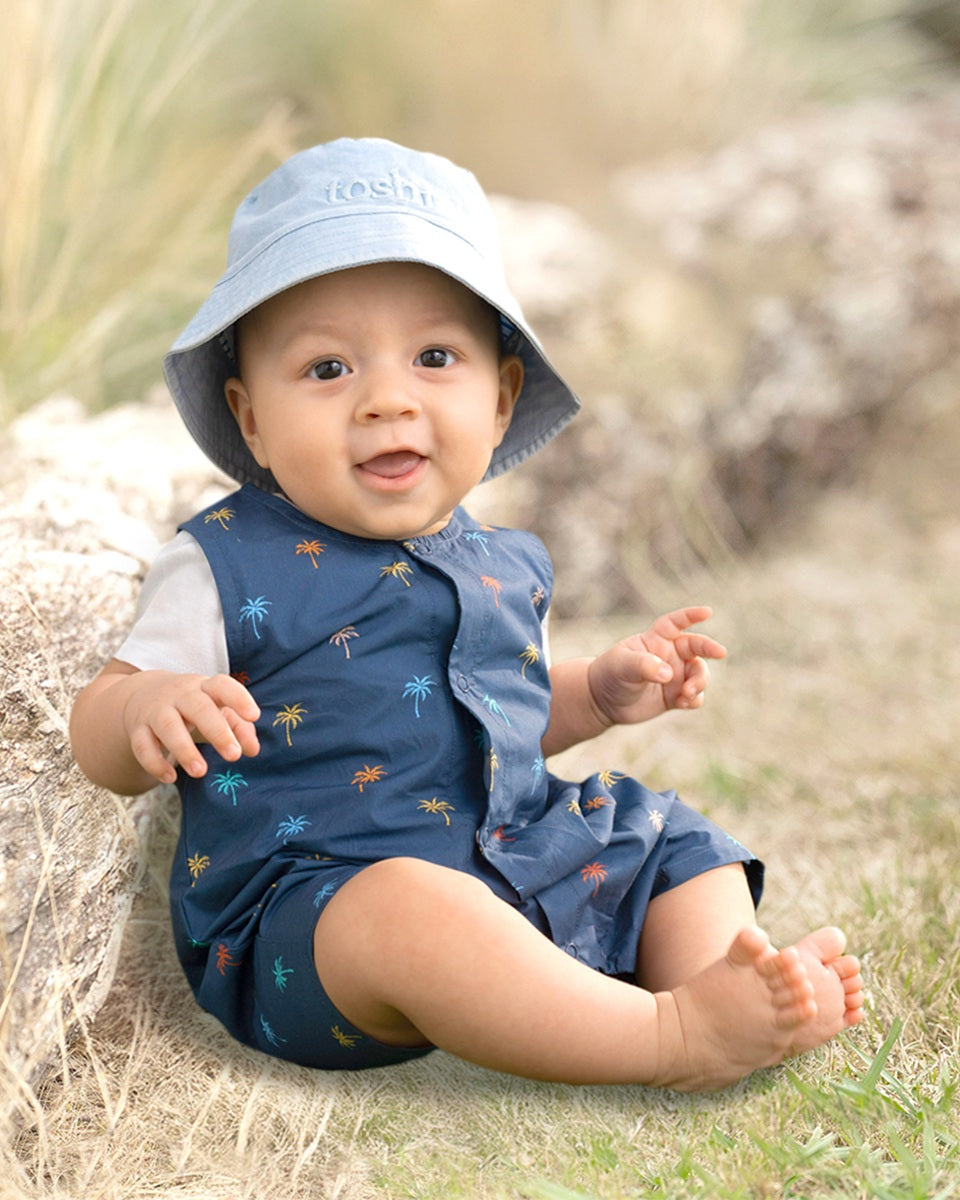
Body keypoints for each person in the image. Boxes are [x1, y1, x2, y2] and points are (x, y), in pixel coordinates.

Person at [70, 138, 864, 1090]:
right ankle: (669, 1039)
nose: (387, 401)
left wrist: (600, 694)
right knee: (412, 907)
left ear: (501, 399)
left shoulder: (501, 561)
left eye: (435, 357)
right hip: (319, 923)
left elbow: (503, 722)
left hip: (512, 866)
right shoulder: (225, 563)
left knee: (664, 835)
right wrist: (147, 706)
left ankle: (730, 988)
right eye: (327, 370)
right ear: (250, 420)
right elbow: (97, 729)